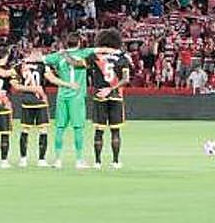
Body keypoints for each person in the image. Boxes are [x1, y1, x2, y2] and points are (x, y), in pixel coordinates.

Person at [42, 33, 107, 168]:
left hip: (62, 95)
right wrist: (116, 50)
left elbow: (41, 59)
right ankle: (78, 160)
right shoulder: (84, 53)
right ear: (79, 43)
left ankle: (58, 160)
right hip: (77, 96)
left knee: (60, 128)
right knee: (78, 128)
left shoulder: (58, 56)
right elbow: (101, 49)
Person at [89, 28, 130, 169]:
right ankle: (116, 161)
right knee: (115, 131)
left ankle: (97, 162)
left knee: (99, 131)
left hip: (99, 95)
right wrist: (111, 89)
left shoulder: (95, 56)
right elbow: (126, 79)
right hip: (115, 96)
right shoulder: (122, 58)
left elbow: (79, 65)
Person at [15, 51, 51, 167]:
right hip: (40, 100)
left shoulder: (21, 65)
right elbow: (51, 78)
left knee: (25, 130)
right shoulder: (43, 66)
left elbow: (8, 75)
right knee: (43, 130)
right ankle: (41, 159)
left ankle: (23, 159)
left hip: (27, 101)